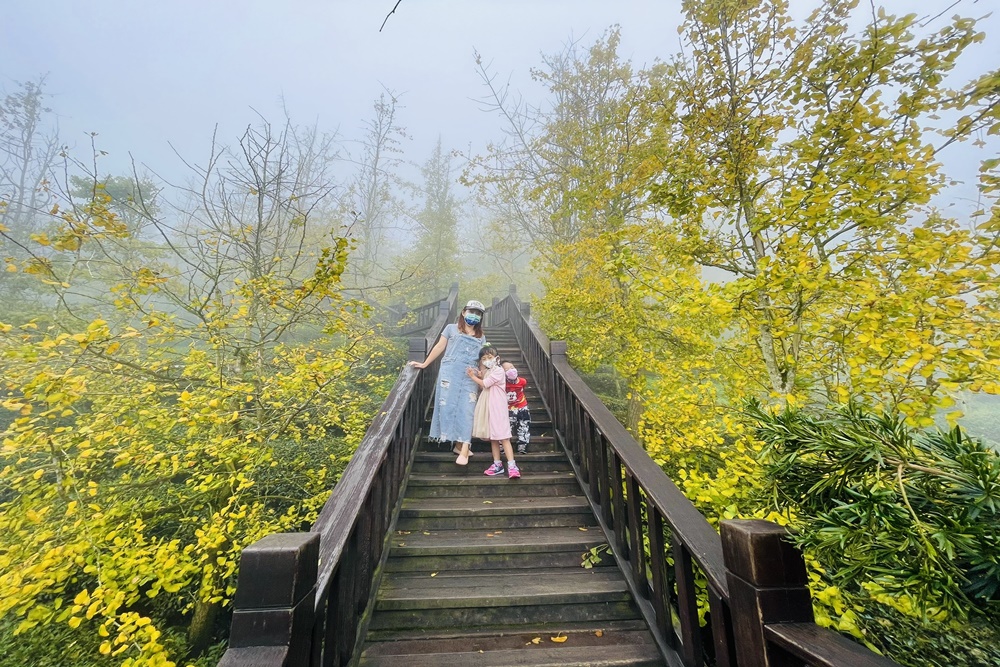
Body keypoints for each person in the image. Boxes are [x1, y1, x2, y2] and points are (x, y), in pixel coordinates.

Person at [409, 300, 486, 465]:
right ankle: (458, 445)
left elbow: (481, 360)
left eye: (478, 314)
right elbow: (439, 347)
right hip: (450, 373)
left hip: (469, 376)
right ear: (464, 312)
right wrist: (424, 364)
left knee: (468, 410)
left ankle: (464, 449)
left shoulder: (481, 336)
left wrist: (481, 377)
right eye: (471, 311)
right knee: (449, 406)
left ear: (480, 318)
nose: (474, 316)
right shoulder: (451, 328)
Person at [467, 346, 520, 479]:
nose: (487, 360)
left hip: (498, 407)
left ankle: (512, 465)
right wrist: (480, 375)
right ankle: (497, 464)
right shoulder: (490, 371)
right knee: (493, 437)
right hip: (489, 406)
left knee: (504, 436)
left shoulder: (499, 371)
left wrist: (473, 376)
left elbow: (485, 384)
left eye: (489, 357)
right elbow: (483, 385)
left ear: (497, 358)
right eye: (484, 359)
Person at [502, 361, 531, 455]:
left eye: (512, 367)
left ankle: (523, 445)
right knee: (507, 426)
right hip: (508, 408)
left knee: (524, 425)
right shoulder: (502, 383)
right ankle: (503, 446)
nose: (510, 370)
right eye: (506, 369)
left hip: (522, 406)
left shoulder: (522, 381)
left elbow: (522, 389)